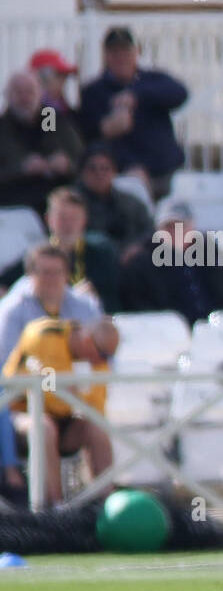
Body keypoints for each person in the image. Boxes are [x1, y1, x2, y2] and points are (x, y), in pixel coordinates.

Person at [2, 315, 119, 507]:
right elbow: (56, 400)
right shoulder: (43, 334)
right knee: (44, 426)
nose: (103, 362)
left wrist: (80, 395)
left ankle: (107, 503)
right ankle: (55, 509)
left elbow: (97, 410)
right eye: (104, 355)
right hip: (16, 418)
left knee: (96, 428)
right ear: (88, 341)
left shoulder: (97, 360)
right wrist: (80, 395)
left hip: (61, 421)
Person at [79, 27, 187, 200]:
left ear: (136, 52)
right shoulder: (93, 91)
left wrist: (137, 95)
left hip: (167, 170)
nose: (121, 57)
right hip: (125, 176)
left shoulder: (153, 80)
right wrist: (105, 129)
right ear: (106, 56)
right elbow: (87, 133)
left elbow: (180, 93)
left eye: (125, 51)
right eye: (115, 52)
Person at [117, 200, 223, 324]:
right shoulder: (142, 264)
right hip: (170, 337)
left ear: (192, 226)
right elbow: (138, 305)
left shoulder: (214, 255)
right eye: (168, 227)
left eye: (180, 226)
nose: (175, 232)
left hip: (218, 332)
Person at [0, 188, 121, 312]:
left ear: (85, 220)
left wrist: (93, 299)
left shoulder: (101, 255)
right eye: (62, 217)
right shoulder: (37, 256)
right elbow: (5, 284)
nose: (68, 224)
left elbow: (114, 301)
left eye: (74, 218)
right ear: (48, 219)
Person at [0, 245, 102, 363]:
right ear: (30, 275)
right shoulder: (12, 308)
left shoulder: (86, 306)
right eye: (45, 272)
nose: (51, 279)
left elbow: (103, 358)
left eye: (57, 272)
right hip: (29, 379)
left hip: (76, 378)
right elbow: (5, 363)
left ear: (67, 275)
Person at [0, 70, 82, 213]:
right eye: (18, 92)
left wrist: (67, 163)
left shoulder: (49, 117)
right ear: (7, 96)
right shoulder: (4, 126)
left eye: (30, 91)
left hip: (58, 197)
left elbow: (79, 154)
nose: (25, 98)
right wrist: (21, 168)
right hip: (14, 200)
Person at [75, 144, 154, 262]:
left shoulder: (131, 203)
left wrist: (135, 248)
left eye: (105, 168)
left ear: (114, 172)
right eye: (92, 169)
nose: (99, 174)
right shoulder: (73, 203)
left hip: (130, 260)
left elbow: (149, 231)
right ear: (82, 173)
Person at [29, 48, 79, 121]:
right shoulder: (40, 111)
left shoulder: (62, 106)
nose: (63, 82)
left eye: (65, 76)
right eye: (59, 75)